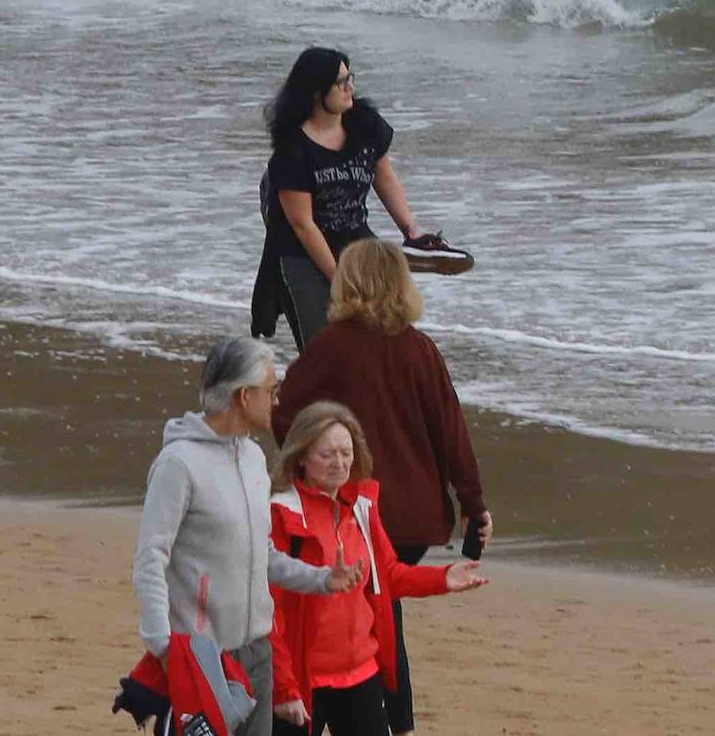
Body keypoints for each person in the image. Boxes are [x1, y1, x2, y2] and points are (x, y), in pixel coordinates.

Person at [273, 238, 491, 736]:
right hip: (414, 518)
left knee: (374, 610)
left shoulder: (331, 346)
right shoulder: (419, 347)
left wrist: (308, 471)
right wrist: (474, 505)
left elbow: (285, 414)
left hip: (354, 510)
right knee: (379, 607)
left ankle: (381, 717)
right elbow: (451, 431)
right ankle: (397, 722)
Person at [133, 337, 365, 736]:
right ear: (243, 396)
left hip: (258, 653)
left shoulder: (255, 459)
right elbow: (150, 560)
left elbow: (263, 554)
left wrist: (323, 579)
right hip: (201, 657)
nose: (277, 400)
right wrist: (165, 648)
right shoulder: (179, 464)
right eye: (271, 390)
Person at [268, 401, 489, 736]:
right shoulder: (280, 514)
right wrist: (284, 688)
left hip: (360, 673)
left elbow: (388, 576)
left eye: (346, 452)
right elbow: (267, 612)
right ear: (301, 456)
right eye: (327, 454)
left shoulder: (361, 506)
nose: (339, 463)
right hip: (301, 680)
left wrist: (443, 577)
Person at [250, 47, 464, 351]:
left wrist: (412, 232)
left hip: (356, 240)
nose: (350, 87)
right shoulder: (293, 150)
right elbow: (302, 225)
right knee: (326, 349)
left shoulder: (364, 124)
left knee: (387, 333)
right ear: (315, 93)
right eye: (341, 82)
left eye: (350, 77)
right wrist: (339, 279)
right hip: (303, 254)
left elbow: (384, 176)